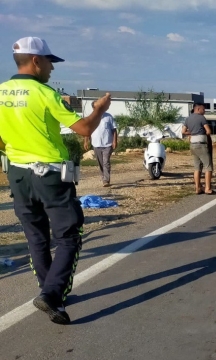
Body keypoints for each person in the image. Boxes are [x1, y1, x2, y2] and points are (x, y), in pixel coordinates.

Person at [0, 37, 112, 324]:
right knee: (68, 236)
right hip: (49, 174)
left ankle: (49, 292)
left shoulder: (1, 92)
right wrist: (99, 108)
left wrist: (15, 151)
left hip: (17, 173)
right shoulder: (44, 93)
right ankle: (52, 295)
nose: (52, 68)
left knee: (36, 237)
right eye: (50, 61)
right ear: (36, 61)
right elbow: (84, 128)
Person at [182, 103, 214, 194]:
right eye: (203, 110)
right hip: (201, 144)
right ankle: (207, 188)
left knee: (197, 167)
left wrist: (192, 133)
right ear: (198, 109)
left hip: (193, 144)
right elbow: (208, 131)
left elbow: (183, 131)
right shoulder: (201, 118)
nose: (204, 112)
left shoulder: (188, 119)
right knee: (208, 166)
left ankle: (197, 188)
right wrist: (201, 133)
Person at [83, 100, 117, 187]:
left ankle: (106, 180)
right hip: (96, 143)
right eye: (95, 107)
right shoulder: (91, 118)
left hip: (107, 143)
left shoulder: (108, 117)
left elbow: (114, 130)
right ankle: (103, 178)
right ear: (93, 108)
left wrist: (114, 141)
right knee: (100, 163)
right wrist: (86, 142)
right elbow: (87, 131)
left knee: (106, 162)